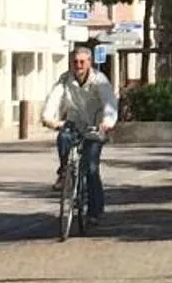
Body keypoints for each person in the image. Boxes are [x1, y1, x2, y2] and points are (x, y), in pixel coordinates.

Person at [41, 42, 119, 228]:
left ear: (90, 62)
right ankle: (64, 172)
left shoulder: (99, 80)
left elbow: (109, 103)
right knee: (63, 136)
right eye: (75, 62)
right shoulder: (65, 79)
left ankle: (94, 212)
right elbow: (54, 98)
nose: (78, 66)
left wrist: (107, 122)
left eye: (82, 62)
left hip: (95, 127)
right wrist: (48, 117)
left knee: (91, 168)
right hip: (75, 124)